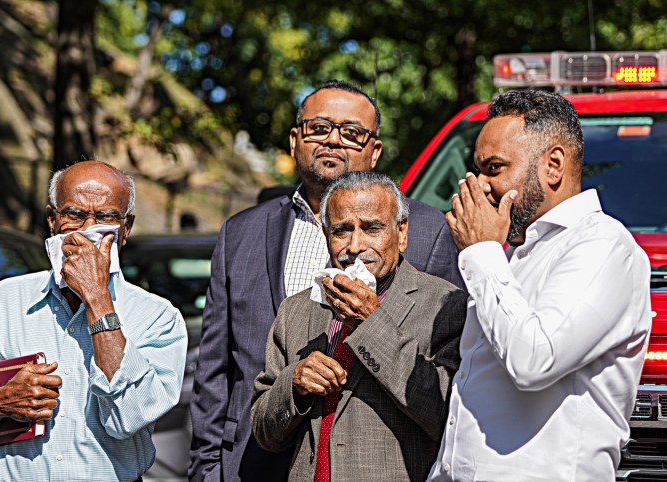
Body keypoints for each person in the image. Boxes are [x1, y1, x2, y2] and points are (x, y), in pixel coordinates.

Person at [189, 80, 464, 482]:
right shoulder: (242, 234)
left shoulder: (430, 230)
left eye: (351, 133)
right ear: (294, 139)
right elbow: (215, 369)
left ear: (375, 151)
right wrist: (207, 469)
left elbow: (445, 393)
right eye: (318, 128)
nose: (333, 140)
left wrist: (372, 323)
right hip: (252, 464)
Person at [431, 90, 651, 481]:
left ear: (553, 165)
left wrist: (482, 251)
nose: (479, 186)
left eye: (494, 168)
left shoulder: (605, 245)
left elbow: (535, 360)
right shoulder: (510, 256)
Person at [0, 160, 188, 482]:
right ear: (52, 220)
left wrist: (97, 297)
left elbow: (128, 418)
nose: (88, 229)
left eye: (106, 217)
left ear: (125, 228)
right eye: (74, 215)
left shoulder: (157, 317)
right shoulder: (2, 302)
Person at [251, 171, 467, 481]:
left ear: (402, 233)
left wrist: (372, 322)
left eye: (372, 228)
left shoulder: (444, 306)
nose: (355, 245)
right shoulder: (296, 311)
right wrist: (294, 385)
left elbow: (446, 416)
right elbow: (264, 432)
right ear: (327, 235)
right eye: (342, 231)